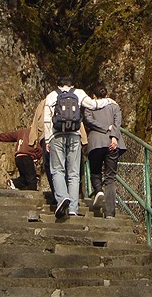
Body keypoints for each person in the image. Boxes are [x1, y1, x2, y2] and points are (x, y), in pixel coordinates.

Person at [43, 76, 114, 219]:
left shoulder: (51, 96)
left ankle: (62, 197)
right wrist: (108, 100)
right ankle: (73, 209)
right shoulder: (79, 93)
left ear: (58, 85)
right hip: (75, 136)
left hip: (57, 136)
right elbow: (93, 105)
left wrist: (47, 140)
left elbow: (46, 120)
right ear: (72, 85)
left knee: (57, 170)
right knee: (74, 173)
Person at [83, 83, 126, 219]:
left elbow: (88, 121)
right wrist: (113, 136)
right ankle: (109, 213)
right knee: (111, 178)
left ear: (94, 96)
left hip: (96, 142)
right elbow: (117, 123)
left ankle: (98, 190)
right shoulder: (114, 106)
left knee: (95, 171)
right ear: (106, 95)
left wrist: (103, 128)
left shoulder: (90, 106)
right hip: (113, 143)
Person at [0, 126, 42, 191]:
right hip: (27, 157)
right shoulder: (36, 133)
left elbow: (9, 136)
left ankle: (13, 182)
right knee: (32, 179)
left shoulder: (21, 132)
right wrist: (37, 156)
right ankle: (32, 195)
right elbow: (40, 148)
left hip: (18, 157)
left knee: (24, 178)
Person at [29, 97, 55, 202]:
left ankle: (56, 193)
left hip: (46, 136)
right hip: (66, 135)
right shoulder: (70, 98)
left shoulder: (45, 102)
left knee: (49, 165)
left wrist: (32, 139)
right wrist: (83, 138)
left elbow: (36, 119)